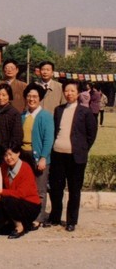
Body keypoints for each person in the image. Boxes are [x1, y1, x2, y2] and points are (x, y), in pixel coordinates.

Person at [47, 81, 98, 232]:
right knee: (56, 188)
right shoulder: (58, 110)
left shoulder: (85, 112)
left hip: (76, 157)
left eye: (72, 91)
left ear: (78, 93)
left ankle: (71, 221)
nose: (69, 93)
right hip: (58, 154)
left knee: (74, 190)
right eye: (66, 91)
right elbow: (55, 130)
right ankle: (55, 217)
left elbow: (92, 134)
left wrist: (82, 149)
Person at [0, 144, 41, 239]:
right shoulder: (4, 166)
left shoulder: (26, 168)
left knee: (7, 199)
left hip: (30, 205)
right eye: (5, 155)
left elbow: (20, 194)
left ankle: (19, 227)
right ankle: (28, 224)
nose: (8, 158)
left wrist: (0, 191)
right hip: (13, 203)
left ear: (18, 153)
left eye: (11, 154)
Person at [21, 83, 54, 229]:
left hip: (39, 156)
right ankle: (26, 215)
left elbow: (48, 139)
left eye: (35, 96)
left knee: (40, 190)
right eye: (29, 96)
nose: (31, 99)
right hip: (24, 156)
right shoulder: (23, 115)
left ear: (40, 98)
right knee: (26, 188)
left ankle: (38, 218)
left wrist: (43, 157)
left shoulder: (45, 116)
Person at [0, 83, 24, 165]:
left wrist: (10, 151)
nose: (0, 98)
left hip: (8, 153)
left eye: (4, 95)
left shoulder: (14, 113)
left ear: (9, 96)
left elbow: (17, 136)